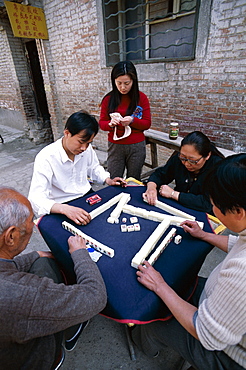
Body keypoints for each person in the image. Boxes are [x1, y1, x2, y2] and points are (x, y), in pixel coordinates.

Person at [132, 154, 246, 370]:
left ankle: (143, 344)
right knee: (182, 282)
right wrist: (206, 236)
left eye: (215, 206)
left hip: (228, 354)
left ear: (238, 212)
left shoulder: (242, 273)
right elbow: (240, 242)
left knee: (154, 318)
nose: (212, 210)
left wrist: (160, 285)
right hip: (222, 307)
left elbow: (207, 334)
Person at [0, 187, 107, 369]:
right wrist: (81, 253)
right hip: (29, 360)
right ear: (11, 236)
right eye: (30, 222)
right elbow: (96, 297)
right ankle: (67, 337)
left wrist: (34, 255)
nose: (33, 227)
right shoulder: (21, 294)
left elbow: (7, 267)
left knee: (43, 263)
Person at [28, 111, 126, 225]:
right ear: (67, 133)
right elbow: (35, 199)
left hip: (85, 195)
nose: (84, 148)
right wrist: (64, 209)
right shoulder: (46, 157)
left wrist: (108, 179)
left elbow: (94, 168)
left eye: (88, 143)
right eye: (81, 142)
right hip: (61, 204)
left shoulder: (86, 150)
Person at [143, 131, 224, 213]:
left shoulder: (218, 169)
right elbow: (161, 174)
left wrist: (173, 194)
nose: (186, 164)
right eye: (183, 158)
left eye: (193, 161)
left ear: (207, 155)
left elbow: (207, 204)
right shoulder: (178, 160)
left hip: (202, 213)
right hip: (178, 207)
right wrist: (151, 188)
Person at [99, 60, 151, 181]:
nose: (123, 87)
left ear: (134, 81)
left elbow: (147, 123)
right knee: (114, 179)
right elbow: (102, 123)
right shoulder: (108, 99)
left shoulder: (141, 98)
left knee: (133, 180)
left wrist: (132, 120)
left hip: (136, 146)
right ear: (114, 81)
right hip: (115, 145)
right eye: (119, 83)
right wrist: (110, 124)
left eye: (127, 83)